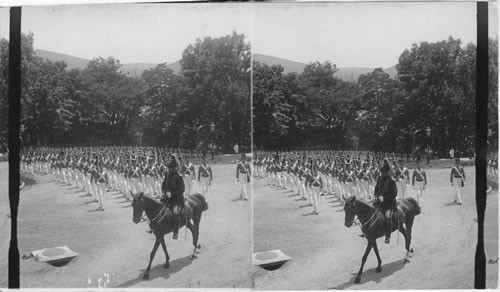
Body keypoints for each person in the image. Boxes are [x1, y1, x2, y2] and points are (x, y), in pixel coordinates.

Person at [374, 158, 398, 244]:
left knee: (388, 217)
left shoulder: (391, 180)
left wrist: (384, 198)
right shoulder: (380, 178)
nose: (382, 174)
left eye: (383, 172)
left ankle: (388, 235)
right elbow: (376, 188)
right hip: (380, 202)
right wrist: (376, 196)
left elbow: (394, 194)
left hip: (389, 204)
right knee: (370, 212)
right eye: (381, 172)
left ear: (387, 171)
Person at [162, 154, 185, 240]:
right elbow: (164, 184)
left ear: (175, 167)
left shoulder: (178, 176)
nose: (170, 169)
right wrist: (164, 192)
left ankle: (176, 231)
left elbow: (182, 189)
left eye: (171, 167)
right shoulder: (168, 174)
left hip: (177, 199)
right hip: (167, 198)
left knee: (175, 213)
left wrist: (172, 194)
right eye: (169, 167)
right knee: (157, 208)